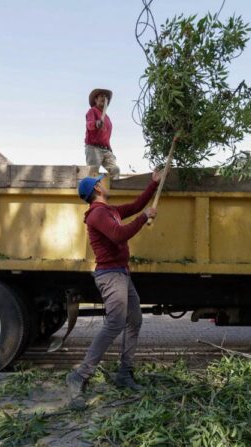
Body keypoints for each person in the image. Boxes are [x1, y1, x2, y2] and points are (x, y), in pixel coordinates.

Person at [66, 169, 161, 409]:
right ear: (97, 189)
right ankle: (80, 375)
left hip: (122, 273)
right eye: (101, 182)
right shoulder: (97, 214)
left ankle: (124, 373)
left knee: (135, 320)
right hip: (110, 276)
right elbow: (119, 235)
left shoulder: (110, 211)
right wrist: (143, 218)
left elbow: (137, 204)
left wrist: (153, 184)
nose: (104, 184)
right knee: (115, 323)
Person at [85, 88, 121, 179]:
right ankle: (91, 192)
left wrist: (109, 148)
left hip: (106, 149)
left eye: (106, 97)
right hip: (93, 148)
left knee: (115, 170)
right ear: (96, 99)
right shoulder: (92, 111)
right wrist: (96, 123)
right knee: (93, 173)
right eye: (101, 96)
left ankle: (113, 192)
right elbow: (89, 124)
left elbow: (106, 137)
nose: (104, 98)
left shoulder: (107, 118)